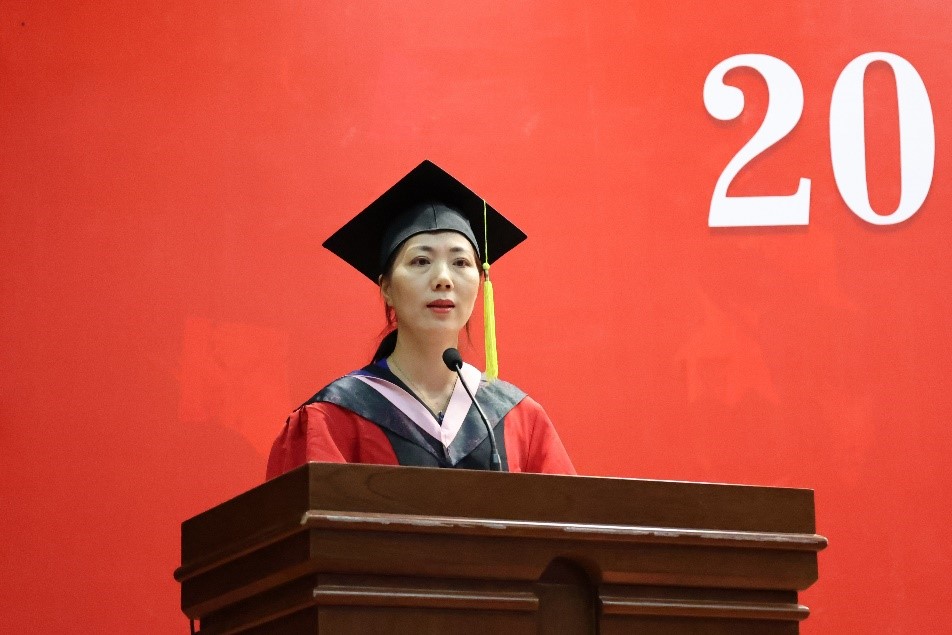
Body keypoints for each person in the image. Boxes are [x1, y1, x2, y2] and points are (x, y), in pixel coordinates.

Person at [266, 160, 575, 478]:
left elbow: (566, 509)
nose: (443, 279)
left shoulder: (520, 420)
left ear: (480, 282)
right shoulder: (333, 419)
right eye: (421, 261)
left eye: (460, 262)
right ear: (386, 288)